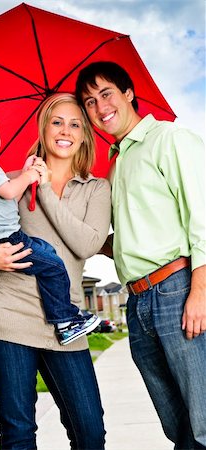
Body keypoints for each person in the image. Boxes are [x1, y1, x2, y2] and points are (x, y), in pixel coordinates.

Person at [0, 93, 111, 449]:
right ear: (44, 128)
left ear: (85, 135)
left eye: (75, 124)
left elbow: (86, 244)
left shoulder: (96, 189)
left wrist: (43, 189)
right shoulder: (7, 181)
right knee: (19, 432)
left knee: (90, 433)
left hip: (65, 326)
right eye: (57, 121)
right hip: (7, 318)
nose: (65, 130)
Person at [75, 61, 206, 449]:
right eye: (89, 102)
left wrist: (199, 292)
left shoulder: (170, 139)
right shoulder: (115, 166)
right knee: (175, 421)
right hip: (138, 300)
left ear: (129, 92)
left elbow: (203, 218)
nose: (100, 108)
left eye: (106, 94)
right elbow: (125, 241)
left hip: (178, 289)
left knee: (202, 420)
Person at [0, 108, 100, 346]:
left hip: (8, 234)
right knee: (53, 266)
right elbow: (10, 192)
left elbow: (8, 197)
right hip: (5, 246)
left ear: (83, 136)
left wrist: (27, 176)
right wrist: (30, 176)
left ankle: (63, 318)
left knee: (47, 252)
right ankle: (66, 322)